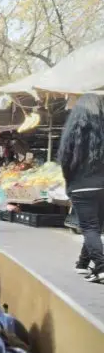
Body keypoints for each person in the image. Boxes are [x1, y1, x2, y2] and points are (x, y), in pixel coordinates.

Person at [58, 93, 104, 282]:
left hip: (81, 187)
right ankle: (82, 264)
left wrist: (69, 184)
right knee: (95, 227)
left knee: (89, 227)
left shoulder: (73, 132)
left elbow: (65, 161)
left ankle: (101, 266)